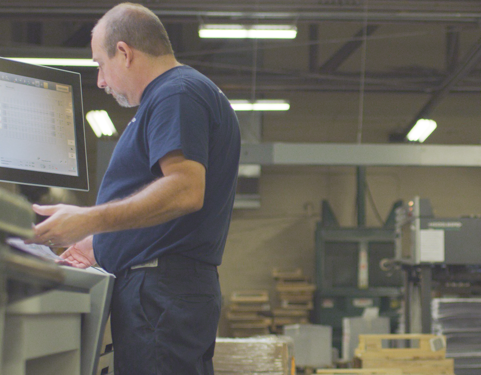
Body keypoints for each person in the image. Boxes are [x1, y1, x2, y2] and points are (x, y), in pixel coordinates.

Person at [26, 3, 241, 374]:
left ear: (123, 53)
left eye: (99, 65)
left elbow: (185, 189)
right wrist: (101, 243)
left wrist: (87, 220)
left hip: (161, 293)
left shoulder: (176, 94)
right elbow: (166, 206)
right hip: (166, 290)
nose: (100, 81)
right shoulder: (181, 92)